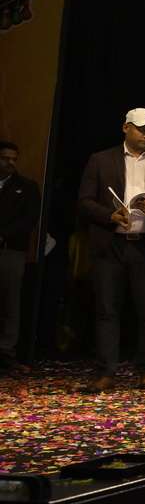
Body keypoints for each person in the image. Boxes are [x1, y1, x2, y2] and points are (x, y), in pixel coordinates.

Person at [75, 108, 145, 393]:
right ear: (126, 127)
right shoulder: (101, 160)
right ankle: (106, 372)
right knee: (107, 309)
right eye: (142, 129)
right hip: (111, 245)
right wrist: (109, 215)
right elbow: (85, 201)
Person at [0, 140, 41, 373]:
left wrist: (4, 235)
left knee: (10, 302)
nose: (10, 163)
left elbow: (29, 220)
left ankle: (6, 352)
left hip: (11, 250)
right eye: (5, 158)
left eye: (14, 159)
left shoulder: (26, 187)